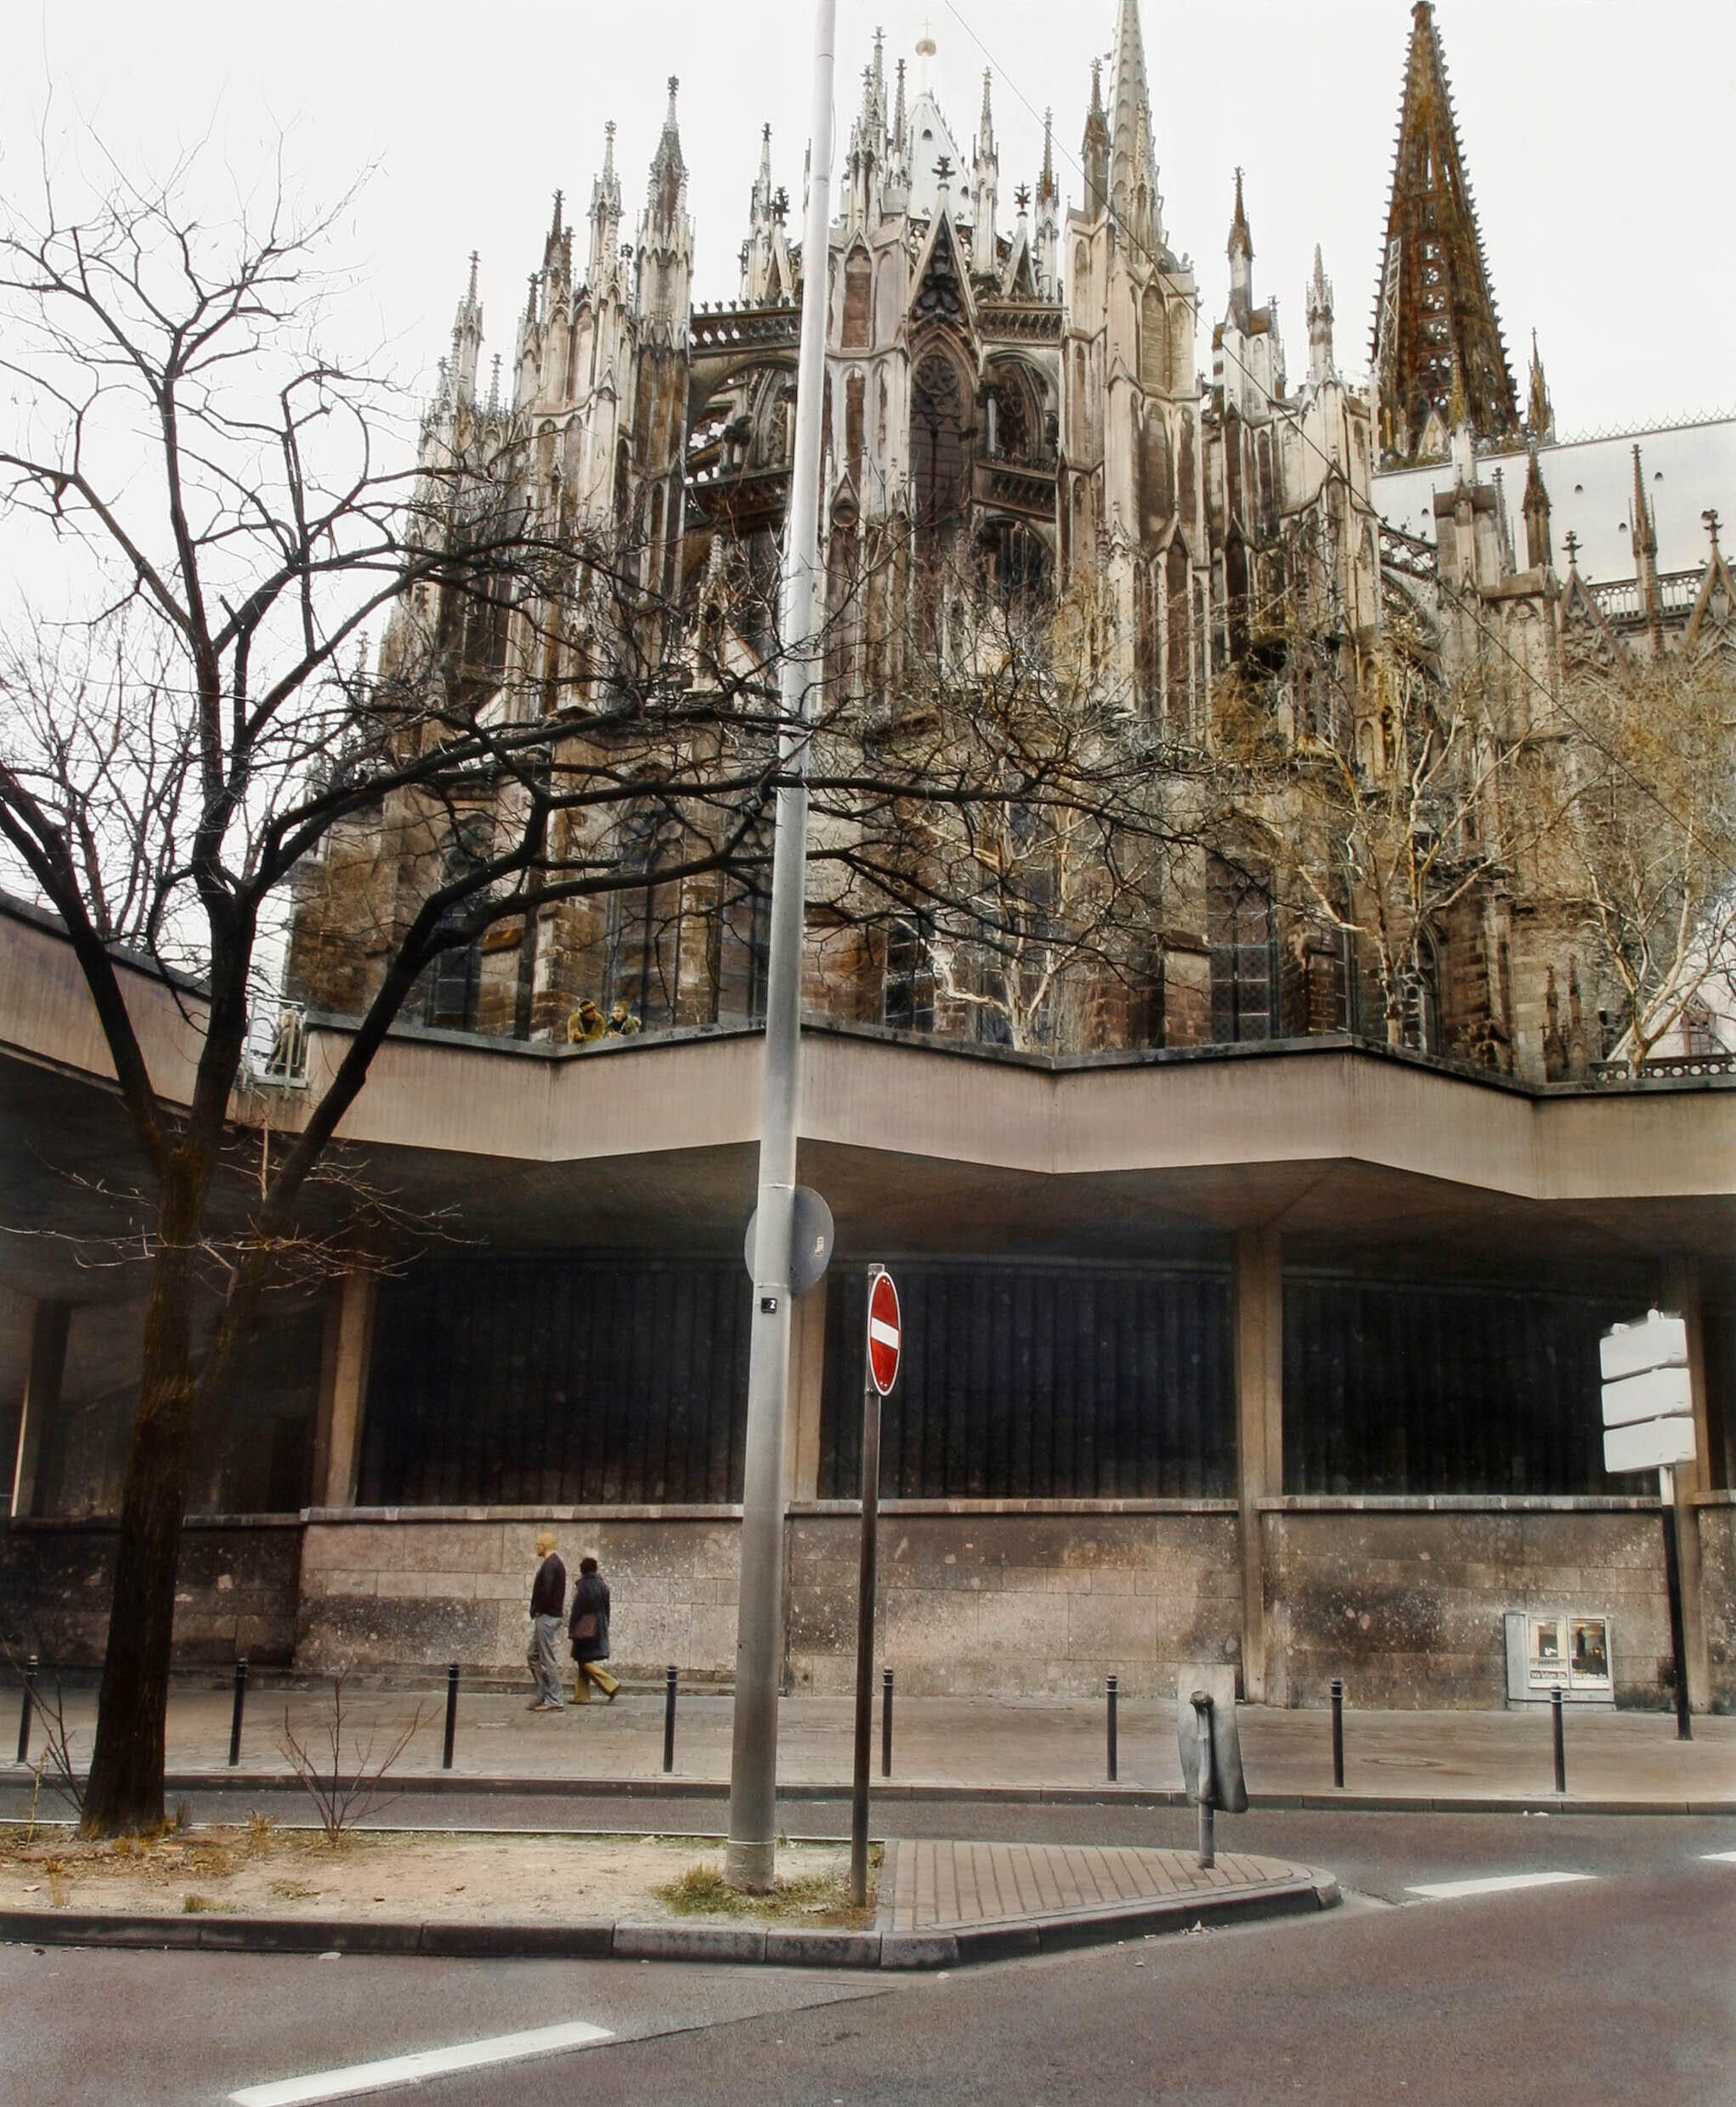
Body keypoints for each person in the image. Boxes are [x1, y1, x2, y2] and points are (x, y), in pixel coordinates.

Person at [568, 1553, 619, 1703]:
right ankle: (581, 1696)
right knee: (582, 1660)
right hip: (599, 1626)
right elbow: (607, 1608)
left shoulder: (583, 1586)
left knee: (584, 1661)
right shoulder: (602, 1586)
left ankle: (610, 1684)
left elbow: (578, 1609)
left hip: (585, 1628)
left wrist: (572, 1627)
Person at [526, 1531, 567, 1711]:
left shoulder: (551, 1564)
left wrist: (537, 1609)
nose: (536, 1547)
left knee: (547, 1658)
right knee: (533, 1655)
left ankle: (555, 1698)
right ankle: (542, 1691)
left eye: (538, 1544)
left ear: (544, 1545)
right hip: (547, 1615)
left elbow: (546, 1592)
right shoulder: (553, 1563)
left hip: (547, 1616)